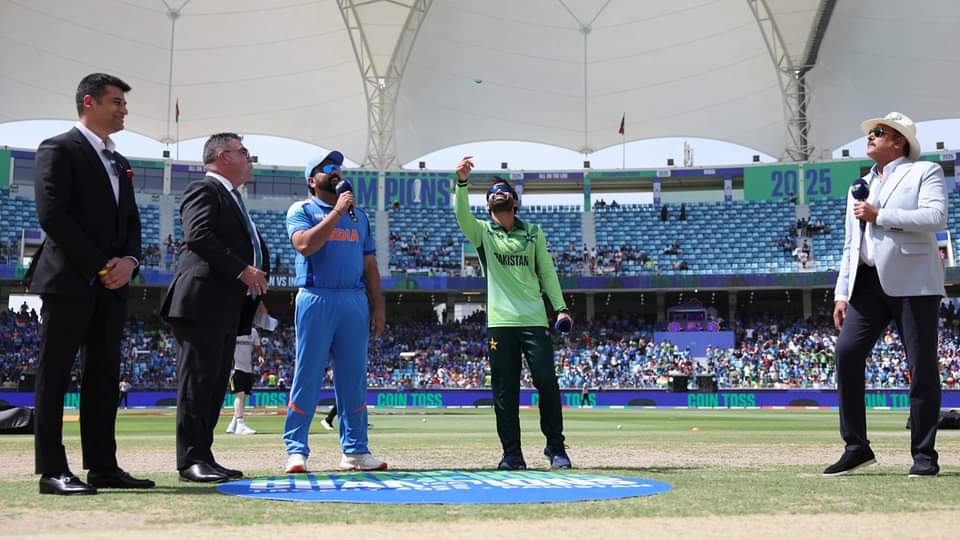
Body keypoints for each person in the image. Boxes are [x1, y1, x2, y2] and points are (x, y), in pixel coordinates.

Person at [28, 73, 154, 495]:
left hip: (112, 284)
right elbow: (53, 215)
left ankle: (103, 465)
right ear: (89, 102)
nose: (123, 110)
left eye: (123, 103)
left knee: (103, 375)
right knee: (56, 374)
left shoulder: (119, 160)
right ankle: (51, 469)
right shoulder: (59, 148)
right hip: (70, 280)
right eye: (116, 102)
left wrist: (130, 261)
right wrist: (102, 264)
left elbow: (132, 220)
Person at [826, 112, 947, 478]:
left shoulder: (924, 172)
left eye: (879, 132)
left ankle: (924, 455)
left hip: (913, 281)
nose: (871, 137)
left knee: (921, 366)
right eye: (871, 133)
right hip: (866, 283)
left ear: (900, 142)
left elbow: (936, 217)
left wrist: (880, 215)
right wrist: (841, 293)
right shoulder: (858, 184)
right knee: (846, 354)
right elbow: (852, 244)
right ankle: (856, 446)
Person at [161, 132, 270, 483]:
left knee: (211, 386)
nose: (249, 159)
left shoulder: (232, 196)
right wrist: (243, 269)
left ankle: (203, 456)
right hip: (201, 301)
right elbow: (199, 235)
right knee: (197, 383)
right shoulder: (204, 189)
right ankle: (190, 459)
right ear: (224, 156)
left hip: (224, 305)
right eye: (244, 152)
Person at [454, 157, 573, 470]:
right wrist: (462, 184)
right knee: (505, 390)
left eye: (506, 209)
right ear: (490, 211)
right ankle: (511, 454)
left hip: (534, 320)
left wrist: (560, 308)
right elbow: (462, 216)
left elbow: (547, 272)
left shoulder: (533, 232)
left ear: (515, 206)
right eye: (497, 210)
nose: (503, 215)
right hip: (501, 323)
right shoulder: (484, 234)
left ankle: (555, 446)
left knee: (547, 382)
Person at [282, 150, 386, 473]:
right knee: (308, 375)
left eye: (339, 167)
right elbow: (305, 245)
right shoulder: (302, 210)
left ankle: (355, 451)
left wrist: (378, 306)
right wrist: (337, 213)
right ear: (312, 181)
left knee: (353, 378)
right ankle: (296, 450)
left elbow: (370, 265)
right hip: (316, 296)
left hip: (354, 300)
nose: (336, 171)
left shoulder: (361, 217)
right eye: (328, 168)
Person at [225, 326, 265, 436]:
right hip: (235, 368)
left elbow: (258, 348)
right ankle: (240, 424)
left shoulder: (253, 331)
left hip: (248, 369)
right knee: (240, 395)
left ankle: (233, 424)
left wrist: (261, 356)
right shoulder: (233, 329)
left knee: (244, 397)